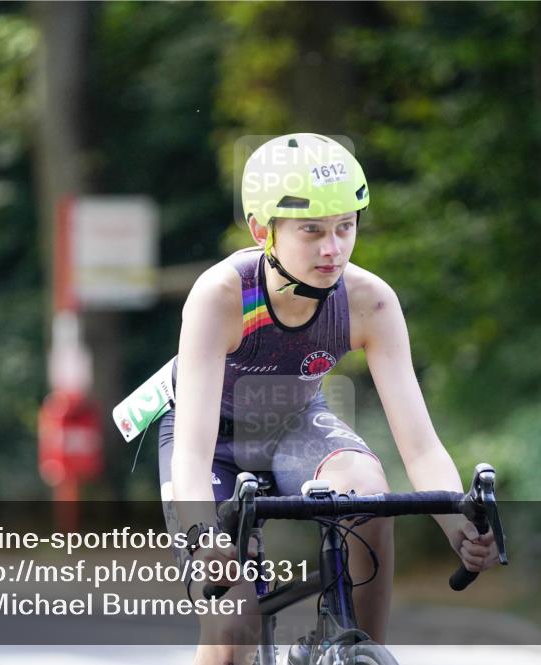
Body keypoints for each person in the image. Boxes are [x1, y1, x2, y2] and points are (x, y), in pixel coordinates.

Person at [156, 133, 500, 665]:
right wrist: (206, 537)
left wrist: (458, 523)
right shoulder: (221, 295)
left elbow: (420, 445)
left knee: (368, 494)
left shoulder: (368, 300)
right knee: (234, 632)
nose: (332, 248)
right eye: (311, 230)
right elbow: (193, 453)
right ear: (262, 230)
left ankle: (360, 649)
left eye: (345, 227)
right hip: (213, 446)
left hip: (296, 429)